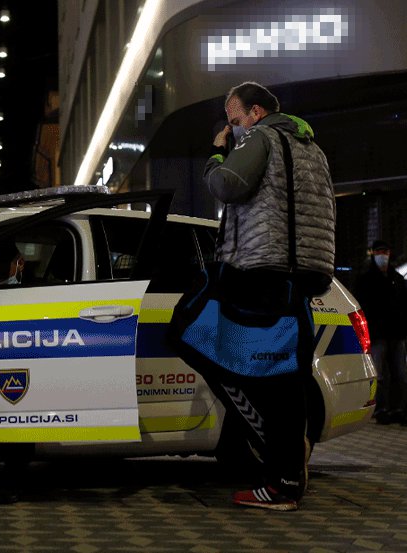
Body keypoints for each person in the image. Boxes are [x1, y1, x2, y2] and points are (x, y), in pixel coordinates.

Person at [202, 81, 335, 511]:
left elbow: (226, 185)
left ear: (256, 113)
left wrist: (217, 154)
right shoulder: (312, 148)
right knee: (287, 377)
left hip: (267, 270)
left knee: (212, 345)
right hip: (303, 273)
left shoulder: (261, 138)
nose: (232, 128)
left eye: (235, 120)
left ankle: (282, 480)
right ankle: (287, 466)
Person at [353, 239, 407, 425]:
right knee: (380, 375)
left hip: (396, 334)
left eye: (385, 252)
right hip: (377, 335)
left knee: (399, 374)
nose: (383, 255)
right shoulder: (366, 279)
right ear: (373, 254)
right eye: (379, 252)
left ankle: (397, 409)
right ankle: (381, 409)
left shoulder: (396, 279)